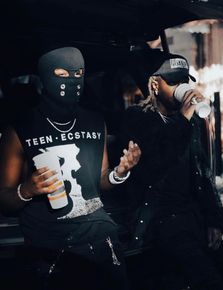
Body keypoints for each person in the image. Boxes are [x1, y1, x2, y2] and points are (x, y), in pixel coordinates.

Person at [0, 47, 141, 290]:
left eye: (79, 74)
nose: (72, 80)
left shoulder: (96, 122)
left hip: (101, 240)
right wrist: (28, 189)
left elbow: (100, 181)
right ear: (45, 78)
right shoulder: (20, 129)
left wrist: (120, 173)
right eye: (62, 73)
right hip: (51, 248)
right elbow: (5, 199)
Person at [119, 53, 223, 290]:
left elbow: (202, 171)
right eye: (173, 82)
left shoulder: (190, 123)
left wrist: (213, 219)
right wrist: (183, 117)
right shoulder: (137, 118)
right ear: (154, 84)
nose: (181, 87)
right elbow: (156, 162)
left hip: (191, 214)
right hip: (159, 218)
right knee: (208, 280)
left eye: (184, 80)